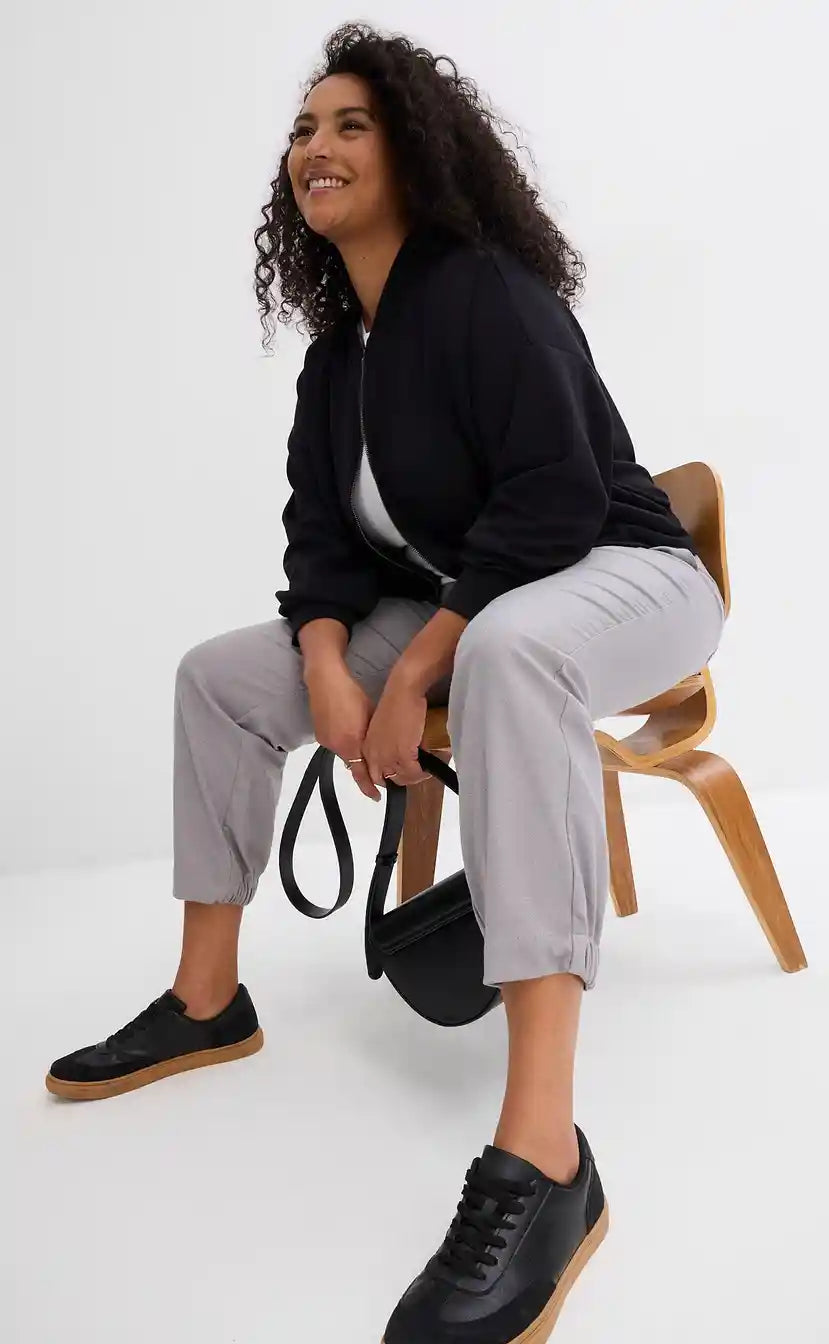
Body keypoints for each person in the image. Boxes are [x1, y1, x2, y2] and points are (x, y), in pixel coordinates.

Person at [44, 22, 726, 1344]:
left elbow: (555, 495)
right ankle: (206, 1000)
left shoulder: (488, 292)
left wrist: (416, 662)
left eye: (351, 124)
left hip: (625, 571)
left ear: (413, 152)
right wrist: (325, 662)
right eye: (304, 128)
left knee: (514, 650)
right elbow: (319, 538)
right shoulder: (337, 357)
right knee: (217, 677)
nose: (318, 146)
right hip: (482, 599)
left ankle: (545, 1155)